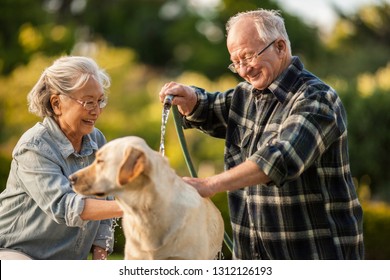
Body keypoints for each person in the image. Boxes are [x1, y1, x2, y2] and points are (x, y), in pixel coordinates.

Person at [159, 9, 364, 260]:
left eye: (248, 56)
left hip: (314, 256)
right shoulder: (246, 95)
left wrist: (207, 185)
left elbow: (279, 159)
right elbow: (211, 107)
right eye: (236, 62)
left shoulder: (317, 98)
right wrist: (190, 98)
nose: (244, 70)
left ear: (279, 47)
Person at [0, 56, 123, 260]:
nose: (96, 110)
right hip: (14, 252)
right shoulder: (34, 147)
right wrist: (132, 207)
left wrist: (100, 257)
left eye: (100, 101)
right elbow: (64, 206)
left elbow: (105, 201)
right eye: (88, 102)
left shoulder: (97, 139)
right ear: (57, 103)